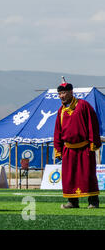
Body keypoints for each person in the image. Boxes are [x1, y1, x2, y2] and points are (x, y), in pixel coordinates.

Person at [54, 78, 101, 209]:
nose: (61, 96)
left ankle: (93, 202)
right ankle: (72, 202)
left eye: (64, 93)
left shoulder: (83, 106)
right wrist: (58, 149)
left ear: (71, 92)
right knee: (70, 177)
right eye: (59, 94)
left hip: (85, 148)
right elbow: (58, 131)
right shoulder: (61, 111)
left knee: (88, 175)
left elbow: (93, 124)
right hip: (68, 149)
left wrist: (94, 142)